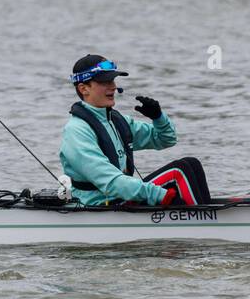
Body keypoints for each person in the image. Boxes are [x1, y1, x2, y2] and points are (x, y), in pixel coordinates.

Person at [60, 55, 211, 207]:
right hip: (97, 205)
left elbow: (166, 139)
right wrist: (163, 195)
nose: (112, 87)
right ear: (83, 88)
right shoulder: (77, 131)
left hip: (120, 197)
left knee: (192, 164)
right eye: (104, 82)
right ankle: (204, 223)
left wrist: (158, 118)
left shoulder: (118, 121)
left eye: (112, 80)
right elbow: (111, 182)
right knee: (179, 172)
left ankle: (204, 218)